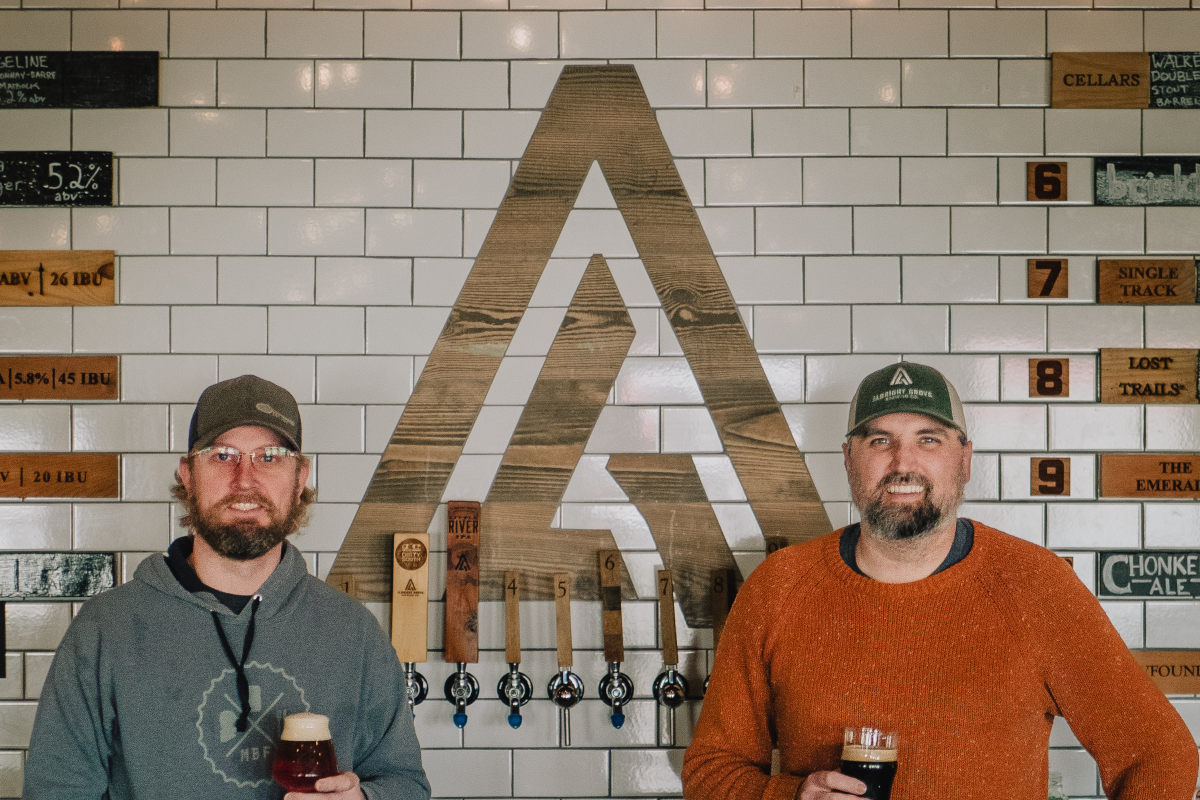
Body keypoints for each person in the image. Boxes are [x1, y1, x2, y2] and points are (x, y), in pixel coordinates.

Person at [682, 361, 1198, 799]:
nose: (903, 463)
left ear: (964, 459)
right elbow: (710, 772)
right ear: (848, 459)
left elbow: (1159, 754)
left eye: (928, 440)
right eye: (880, 440)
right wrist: (792, 794)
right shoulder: (779, 587)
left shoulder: (1036, 585)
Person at [24, 375, 430, 800]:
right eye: (222, 455)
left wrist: (364, 799)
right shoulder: (105, 630)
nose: (245, 479)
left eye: (269, 457)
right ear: (188, 474)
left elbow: (406, 784)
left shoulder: (353, 632)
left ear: (300, 476)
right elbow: (55, 790)